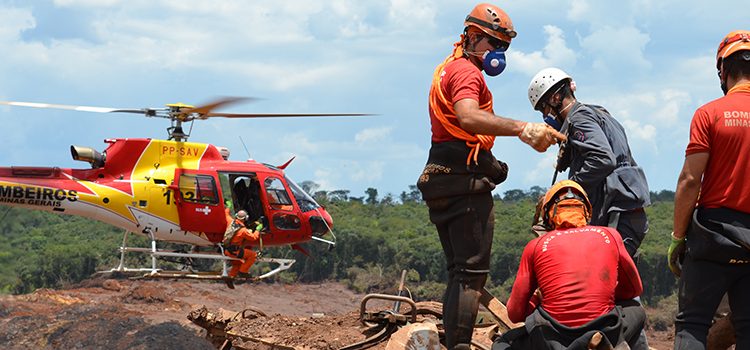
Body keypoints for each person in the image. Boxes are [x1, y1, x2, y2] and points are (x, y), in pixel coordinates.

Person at [417, 4, 566, 348]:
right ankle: (460, 344)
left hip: (442, 175)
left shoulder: (446, 69)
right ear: (471, 36)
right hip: (462, 184)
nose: (497, 54)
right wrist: (525, 129)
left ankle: (454, 340)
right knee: (470, 274)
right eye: (493, 44)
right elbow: (467, 117)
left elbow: (456, 134)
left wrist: (491, 162)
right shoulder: (468, 73)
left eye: (503, 47)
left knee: (459, 271)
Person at [669, 30, 750, 349]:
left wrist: (678, 237)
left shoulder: (709, 114)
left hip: (712, 237)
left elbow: (691, 180)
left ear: (723, 71)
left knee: (692, 324)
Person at [495, 180, 646, 350]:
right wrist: (601, 294)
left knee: (502, 343)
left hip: (552, 339)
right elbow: (633, 289)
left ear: (548, 216)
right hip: (604, 328)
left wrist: (538, 298)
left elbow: (515, 313)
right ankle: (604, 342)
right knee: (636, 310)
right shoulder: (610, 235)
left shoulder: (536, 246)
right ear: (587, 212)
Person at [527, 67, 651, 259]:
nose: (545, 116)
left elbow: (603, 159)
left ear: (554, 99)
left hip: (616, 213)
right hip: (624, 212)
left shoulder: (579, 119)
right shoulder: (598, 113)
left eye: (543, 108)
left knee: (603, 278)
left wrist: (566, 190)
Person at [222, 209, 262, 283]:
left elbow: (226, 214)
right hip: (235, 252)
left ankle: (230, 278)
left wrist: (228, 207)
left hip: (227, 251)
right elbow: (253, 237)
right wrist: (257, 229)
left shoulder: (230, 222)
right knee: (253, 255)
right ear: (246, 218)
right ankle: (243, 271)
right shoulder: (243, 231)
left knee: (237, 264)